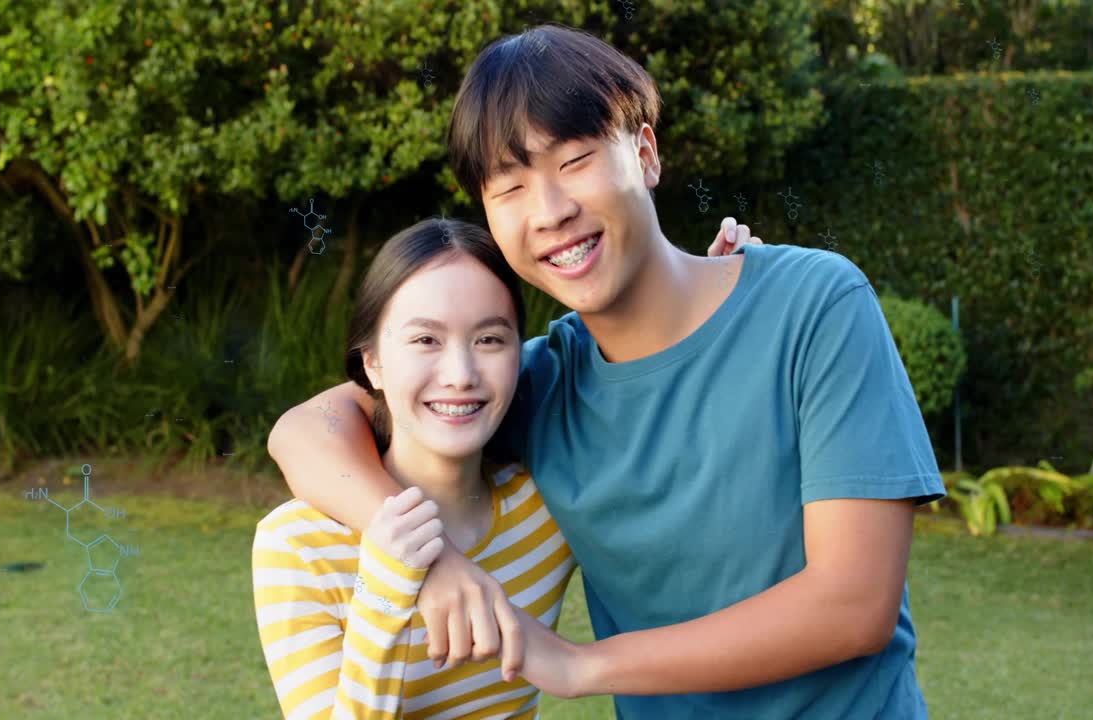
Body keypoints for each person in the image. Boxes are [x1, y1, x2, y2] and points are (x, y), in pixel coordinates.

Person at [268, 23, 943, 720]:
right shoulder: (538, 387)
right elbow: (305, 428)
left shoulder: (812, 305)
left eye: (575, 161)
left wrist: (581, 663)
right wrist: (422, 555)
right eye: (510, 187)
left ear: (645, 153)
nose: (551, 211)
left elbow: (854, 605)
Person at [252, 218, 749, 718]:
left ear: (519, 356)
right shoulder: (297, 544)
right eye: (425, 340)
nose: (460, 375)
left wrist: (711, 304)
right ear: (373, 363)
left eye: (490, 340)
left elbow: (665, 444)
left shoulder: (544, 506)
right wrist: (389, 583)